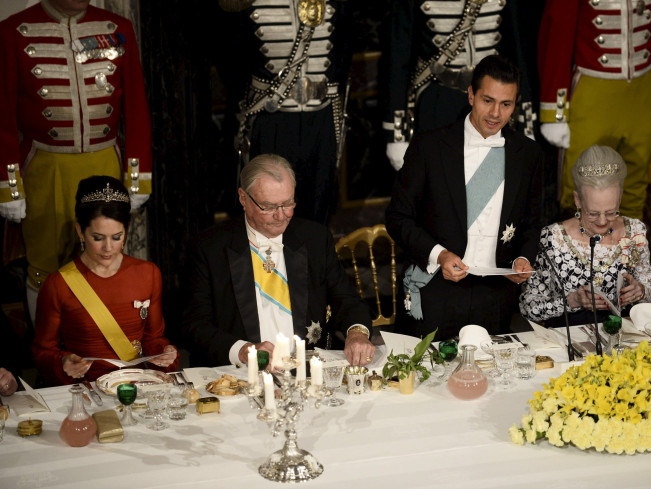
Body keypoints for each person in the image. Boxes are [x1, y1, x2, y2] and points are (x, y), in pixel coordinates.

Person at [0, 0, 152, 320]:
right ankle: (48, 355)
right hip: (45, 167)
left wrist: (137, 177)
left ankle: (102, 353)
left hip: (106, 164)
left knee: (105, 258)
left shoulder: (117, 29)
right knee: (45, 266)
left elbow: (136, 108)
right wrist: (9, 185)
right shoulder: (13, 31)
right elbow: (3, 116)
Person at [385, 55, 544, 341]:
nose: (496, 113)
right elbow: (398, 218)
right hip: (435, 291)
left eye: (506, 104)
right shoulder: (429, 146)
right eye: (487, 100)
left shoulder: (528, 154)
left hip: (495, 296)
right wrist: (440, 255)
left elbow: (534, 222)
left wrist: (522, 258)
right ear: (471, 95)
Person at [182, 154, 375, 368]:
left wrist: (357, 333)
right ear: (243, 198)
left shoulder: (315, 238)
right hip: (240, 374)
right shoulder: (209, 247)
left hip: (307, 372)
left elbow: (346, 299)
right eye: (269, 207)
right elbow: (194, 325)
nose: (281, 216)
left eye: (287, 204)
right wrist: (243, 350)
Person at [537, 0, 651, 220]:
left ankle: (629, 252)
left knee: (635, 187)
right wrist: (554, 111)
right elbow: (558, 31)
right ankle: (582, 254)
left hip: (643, 92)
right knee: (581, 189)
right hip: (592, 92)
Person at [32, 176, 177, 386]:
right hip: (85, 391)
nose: (108, 248)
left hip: (134, 387)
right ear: (80, 231)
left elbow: (153, 339)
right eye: (98, 238)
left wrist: (164, 353)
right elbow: (42, 352)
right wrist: (63, 362)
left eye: (117, 237)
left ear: (126, 231)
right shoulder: (59, 284)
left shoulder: (148, 273)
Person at [383, 0, 544, 171]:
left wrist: (526, 121)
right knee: (439, 185)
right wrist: (396, 134)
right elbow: (398, 57)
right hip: (439, 101)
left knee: (491, 184)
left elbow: (520, 50)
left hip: (493, 99)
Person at [231, 0, 352, 224]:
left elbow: (344, 52)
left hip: (322, 117)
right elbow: (234, 58)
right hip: (271, 120)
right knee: (269, 214)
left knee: (318, 211)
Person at [520, 145, 651, 326]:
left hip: (625, 339)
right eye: (592, 213)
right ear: (578, 200)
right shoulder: (553, 238)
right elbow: (528, 308)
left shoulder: (635, 231)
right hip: (568, 342)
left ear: (620, 198)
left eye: (611, 212)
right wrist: (572, 301)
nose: (602, 221)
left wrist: (640, 292)